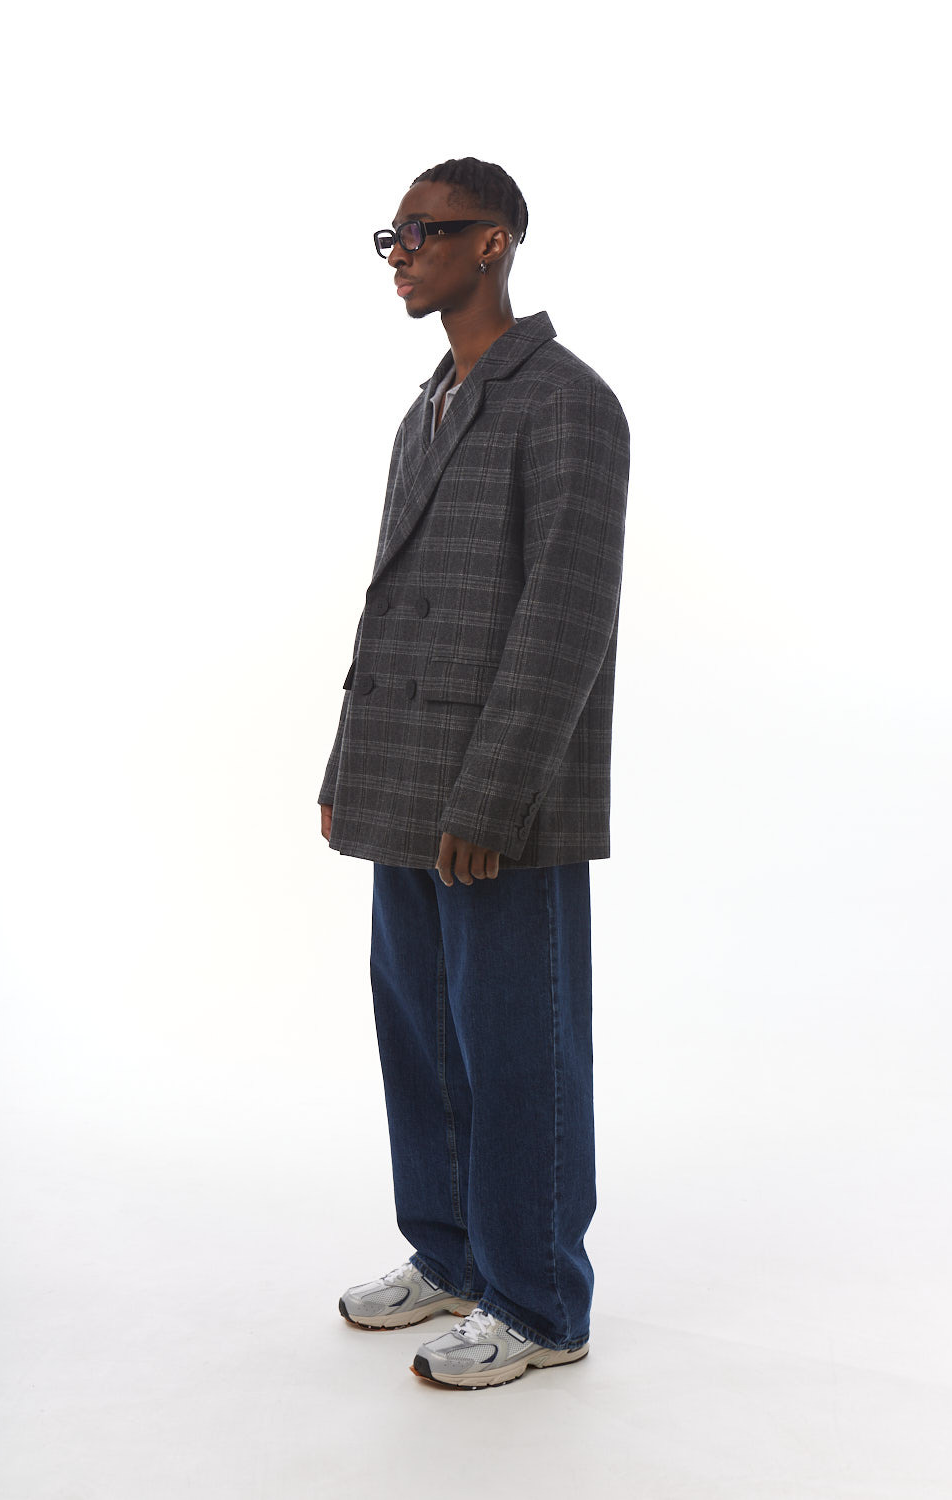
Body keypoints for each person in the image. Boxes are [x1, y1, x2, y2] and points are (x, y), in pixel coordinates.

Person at [318, 157, 630, 1389]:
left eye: (424, 233)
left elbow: (565, 617)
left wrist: (492, 796)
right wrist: (346, 764)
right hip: (401, 778)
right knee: (421, 1037)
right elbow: (388, 602)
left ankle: (540, 1304)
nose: (400, 255)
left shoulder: (567, 402)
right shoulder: (428, 407)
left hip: (500, 798)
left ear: (492, 241)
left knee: (515, 1049)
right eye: (391, 237)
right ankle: (449, 1256)